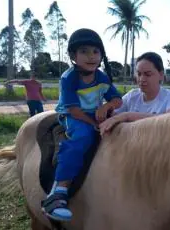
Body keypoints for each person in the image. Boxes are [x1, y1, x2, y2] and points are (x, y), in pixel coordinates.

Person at [41, 28, 123, 222]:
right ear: (73, 55)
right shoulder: (69, 78)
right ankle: (59, 191)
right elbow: (74, 110)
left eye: (95, 51)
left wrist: (107, 105)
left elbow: (118, 99)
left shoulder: (102, 77)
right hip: (73, 115)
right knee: (83, 137)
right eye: (84, 51)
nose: (91, 56)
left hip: (94, 114)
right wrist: (94, 123)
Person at [99, 52, 170, 136]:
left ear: (161, 75)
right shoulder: (132, 96)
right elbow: (115, 115)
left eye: (148, 74)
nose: (141, 79)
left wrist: (128, 116)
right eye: (139, 74)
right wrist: (108, 112)